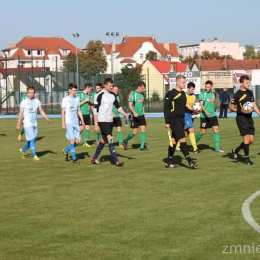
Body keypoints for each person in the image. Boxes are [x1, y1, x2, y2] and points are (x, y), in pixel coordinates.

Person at [164, 75, 198, 169]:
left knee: (174, 141)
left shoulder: (183, 94)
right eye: (183, 82)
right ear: (177, 82)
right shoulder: (171, 93)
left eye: (185, 82)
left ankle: (169, 162)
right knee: (183, 139)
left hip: (181, 119)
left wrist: (192, 111)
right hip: (173, 120)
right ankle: (190, 161)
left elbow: (184, 108)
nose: (184, 84)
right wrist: (167, 122)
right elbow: (166, 108)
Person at [91, 78, 127, 166]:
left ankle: (94, 158)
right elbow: (95, 111)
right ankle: (116, 161)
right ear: (105, 85)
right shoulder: (99, 95)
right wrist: (96, 124)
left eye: (112, 85)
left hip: (110, 121)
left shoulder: (112, 95)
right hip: (102, 120)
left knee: (104, 140)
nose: (111, 87)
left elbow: (118, 106)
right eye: (110, 86)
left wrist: (125, 114)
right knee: (111, 139)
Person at [230, 75, 260, 165]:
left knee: (251, 140)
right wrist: (240, 110)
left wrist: (259, 113)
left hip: (249, 118)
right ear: (241, 83)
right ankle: (247, 159)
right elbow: (231, 107)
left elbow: (253, 104)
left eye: (249, 82)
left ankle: (236, 150)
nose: (248, 84)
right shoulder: (237, 94)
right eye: (246, 82)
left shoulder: (250, 92)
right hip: (241, 118)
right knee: (246, 139)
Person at [16, 86, 50, 160]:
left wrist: (46, 118)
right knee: (32, 139)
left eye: (32, 93)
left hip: (34, 123)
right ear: (27, 93)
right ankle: (34, 155)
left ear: (34, 93)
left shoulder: (37, 101)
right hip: (27, 124)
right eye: (29, 92)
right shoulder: (24, 102)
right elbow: (21, 114)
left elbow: (40, 111)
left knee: (33, 139)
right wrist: (18, 124)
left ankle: (22, 150)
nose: (31, 94)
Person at [195, 80, 224, 153]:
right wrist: (206, 111)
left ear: (211, 87)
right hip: (204, 116)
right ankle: (193, 145)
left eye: (208, 87)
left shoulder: (213, 94)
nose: (206, 88)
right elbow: (201, 104)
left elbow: (212, 104)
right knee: (203, 132)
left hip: (213, 115)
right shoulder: (202, 94)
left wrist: (212, 111)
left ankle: (217, 148)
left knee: (216, 129)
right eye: (205, 87)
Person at [61, 83, 84, 163]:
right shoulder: (65, 99)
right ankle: (74, 158)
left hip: (76, 122)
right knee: (72, 141)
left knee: (78, 141)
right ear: (69, 90)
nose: (75, 92)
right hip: (69, 122)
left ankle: (66, 150)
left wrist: (82, 121)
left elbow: (79, 110)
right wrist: (63, 123)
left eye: (76, 90)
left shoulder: (77, 98)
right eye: (74, 90)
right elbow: (63, 112)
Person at [175, 82, 201, 153]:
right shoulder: (184, 95)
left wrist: (197, 111)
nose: (192, 90)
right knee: (192, 130)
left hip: (191, 115)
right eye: (191, 89)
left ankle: (177, 146)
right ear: (188, 88)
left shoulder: (194, 96)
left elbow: (196, 105)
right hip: (185, 115)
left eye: (193, 89)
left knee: (186, 132)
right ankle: (195, 149)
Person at [122, 81, 148, 151]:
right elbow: (130, 105)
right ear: (139, 87)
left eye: (144, 89)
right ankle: (125, 141)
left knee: (143, 130)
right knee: (134, 132)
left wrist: (144, 114)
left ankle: (142, 147)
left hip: (141, 115)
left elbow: (142, 106)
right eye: (142, 88)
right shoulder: (133, 94)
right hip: (135, 116)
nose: (143, 90)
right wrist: (134, 112)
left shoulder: (142, 95)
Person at [77, 83, 93, 147]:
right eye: (90, 89)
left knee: (88, 128)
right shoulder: (80, 94)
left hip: (87, 114)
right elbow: (78, 104)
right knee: (81, 128)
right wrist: (85, 100)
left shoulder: (88, 95)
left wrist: (90, 101)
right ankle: (76, 138)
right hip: (81, 114)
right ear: (87, 87)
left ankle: (85, 142)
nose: (91, 90)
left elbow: (92, 103)